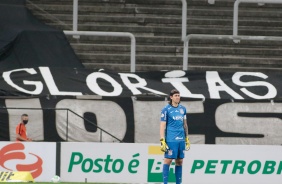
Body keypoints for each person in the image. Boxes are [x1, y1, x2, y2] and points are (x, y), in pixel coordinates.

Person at [160, 89, 190, 184]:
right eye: (176, 95)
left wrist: (187, 138)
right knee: (168, 160)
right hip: (171, 139)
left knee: (180, 161)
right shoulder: (166, 109)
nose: (178, 97)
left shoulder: (183, 109)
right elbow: (162, 125)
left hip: (181, 139)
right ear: (171, 97)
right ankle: (165, 183)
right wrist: (162, 140)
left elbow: (185, 124)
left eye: (178, 95)